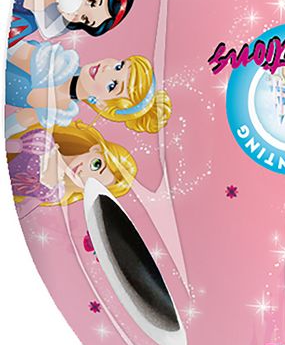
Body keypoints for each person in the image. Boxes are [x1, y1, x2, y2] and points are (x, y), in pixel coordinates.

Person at [5, 41, 171, 138]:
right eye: (119, 66)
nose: (107, 69)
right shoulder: (56, 63)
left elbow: (11, 126)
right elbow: (10, 41)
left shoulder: (57, 112)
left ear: (102, 104)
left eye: (112, 85)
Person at [7, 121, 137, 216]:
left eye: (92, 181)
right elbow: (7, 146)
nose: (83, 173)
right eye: (96, 165)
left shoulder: (53, 193)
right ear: (96, 149)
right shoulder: (42, 142)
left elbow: (20, 209)